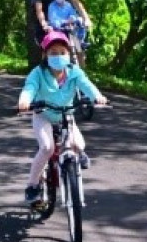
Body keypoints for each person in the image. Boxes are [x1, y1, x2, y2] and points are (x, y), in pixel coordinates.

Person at [16, 30, 107, 204]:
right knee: (47, 148)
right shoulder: (38, 73)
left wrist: (97, 97)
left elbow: (87, 85)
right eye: (53, 53)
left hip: (67, 115)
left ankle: (77, 157)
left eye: (62, 52)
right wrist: (24, 101)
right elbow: (30, 88)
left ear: (69, 54)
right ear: (45, 55)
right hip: (43, 115)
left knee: (79, 144)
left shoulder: (74, 72)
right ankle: (32, 185)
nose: (58, 56)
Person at [46, 0, 88, 67]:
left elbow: (73, 15)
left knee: (80, 22)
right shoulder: (52, 6)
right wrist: (65, 22)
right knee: (66, 47)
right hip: (58, 30)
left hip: (71, 29)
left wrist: (73, 20)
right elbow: (54, 21)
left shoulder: (68, 5)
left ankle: (81, 42)